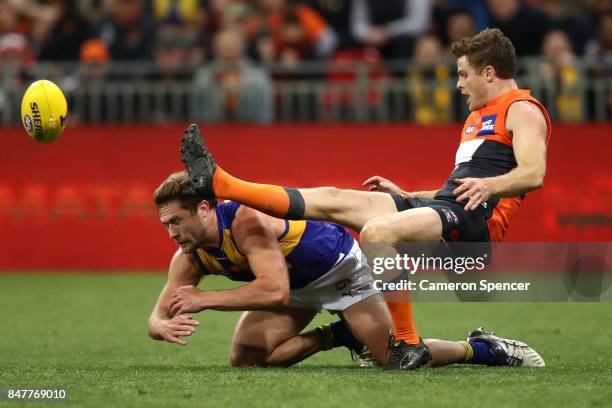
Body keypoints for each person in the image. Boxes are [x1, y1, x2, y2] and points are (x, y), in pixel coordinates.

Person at [179, 28, 550, 370]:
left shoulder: (522, 109)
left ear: (488, 73)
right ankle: (223, 184)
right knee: (332, 198)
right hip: (449, 207)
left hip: (476, 224)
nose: (458, 84)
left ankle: (407, 342)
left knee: (376, 233)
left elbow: (533, 173)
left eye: (463, 74)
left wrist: (490, 187)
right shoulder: (477, 117)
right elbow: (458, 188)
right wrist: (408, 195)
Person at [148, 171, 545, 369]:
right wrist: (160, 325)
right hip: (295, 287)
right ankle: (338, 335)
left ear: (204, 208)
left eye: (175, 222)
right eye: (165, 225)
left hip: (341, 270)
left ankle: (482, 348)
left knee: (399, 361)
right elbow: (157, 316)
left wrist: (205, 300)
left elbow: (274, 293)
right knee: (247, 360)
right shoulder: (190, 254)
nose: (171, 233)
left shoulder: (245, 221)